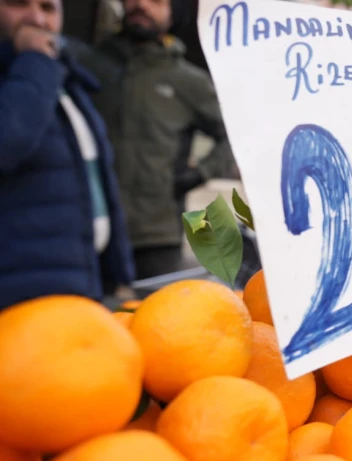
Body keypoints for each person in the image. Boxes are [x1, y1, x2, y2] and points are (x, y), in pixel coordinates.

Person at [68, 0, 235, 279]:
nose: (141, 5)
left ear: (173, 13)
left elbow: (231, 135)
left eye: (156, 1)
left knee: (155, 316)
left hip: (156, 235)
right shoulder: (90, 66)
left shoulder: (188, 81)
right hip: (91, 227)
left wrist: (199, 174)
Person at [0, 0, 135, 311]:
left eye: (48, 8)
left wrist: (121, 275)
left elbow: (96, 184)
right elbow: (9, 142)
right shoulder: (37, 71)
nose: (36, 18)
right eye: (18, 3)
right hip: (21, 304)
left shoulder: (63, 81)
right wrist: (34, 60)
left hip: (81, 292)